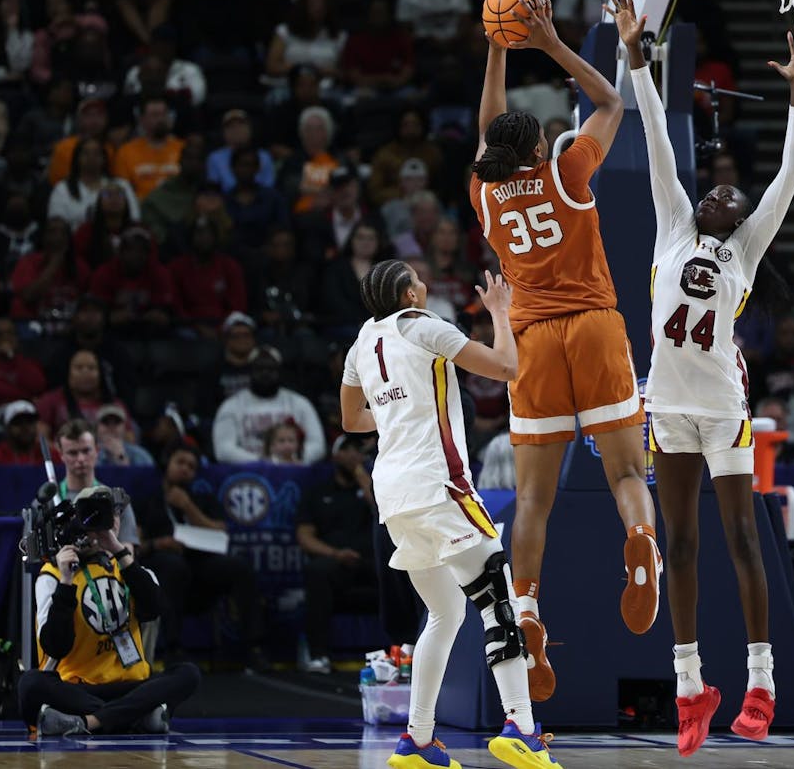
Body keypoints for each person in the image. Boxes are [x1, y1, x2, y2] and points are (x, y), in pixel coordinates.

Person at [610, 0, 794, 752]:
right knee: (682, 548)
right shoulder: (670, 221)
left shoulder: (747, 248)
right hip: (668, 407)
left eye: (735, 192)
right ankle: (691, 685)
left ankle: (759, 681)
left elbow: (789, 174)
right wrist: (635, 52)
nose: (724, 190)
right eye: (716, 186)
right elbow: (658, 134)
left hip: (725, 410)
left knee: (743, 541)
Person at [469, 0, 659, 703]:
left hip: (533, 341)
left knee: (533, 500)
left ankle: (525, 608)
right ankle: (640, 542)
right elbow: (610, 100)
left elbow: (492, 129)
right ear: (544, 144)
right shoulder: (568, 171)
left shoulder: (485, 197)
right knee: (623, 475)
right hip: (596, 327)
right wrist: (545, 43)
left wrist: (497, 45)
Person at [338, 261, 556, 767]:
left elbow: (351, 419)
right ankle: (521, 726)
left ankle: (416, 739)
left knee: (444, 613)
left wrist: (399, 411)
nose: (427, 284)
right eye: (419, 279)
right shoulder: (426, 325)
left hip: (392, 495)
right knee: (497, 598)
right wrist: (501, 312)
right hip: (438, 483)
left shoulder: (361, 344)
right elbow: (506, 367)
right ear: (409, 294)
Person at [19, 486, 201, 736]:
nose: (107, 520)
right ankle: (138, 717)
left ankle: (90, 722)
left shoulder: (131, 568)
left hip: (130, 685)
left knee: (187, 673)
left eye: (114, 513)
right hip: (79, 688)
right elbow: (56, 646)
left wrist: (118, 550)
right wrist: (66, 581)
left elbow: (154, 610)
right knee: (30, 683)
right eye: (93, 514)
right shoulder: (53, 575)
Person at [135, 445, 268, 670]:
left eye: (191, 467)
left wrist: (188, 507)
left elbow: (220, 532)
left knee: (239, 568)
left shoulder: (202, 500)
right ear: (167, 465)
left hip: (200, 565)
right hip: (163, 568)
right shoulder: (148, 501)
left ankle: (253, 648)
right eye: (180, 462)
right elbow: (135, 546)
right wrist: (159, 543)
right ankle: (173, 648)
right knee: (173, 566)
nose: (185, 469)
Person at [296, 435, 378, 674]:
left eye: (358, 451)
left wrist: (363, 478)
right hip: (335, 562)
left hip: (369, 562)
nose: (353, 455)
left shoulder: (372, 487)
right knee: (316, 572)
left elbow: (383, 514)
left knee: (402, 572)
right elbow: (304, 537)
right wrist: (336, 553)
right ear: (335, 455)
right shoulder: (317, 493)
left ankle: (406, 653)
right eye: (347, 449)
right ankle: (318, 654)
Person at [212, 346, 325, 463]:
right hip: (248, 474)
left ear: (280, 371)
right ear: (250, 372)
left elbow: (317, 445)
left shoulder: (299, 403)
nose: (265, 373)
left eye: (271, 369)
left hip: (293, 470)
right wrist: (262, 463)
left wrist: (291, 460)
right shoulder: (231, 405)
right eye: (259, 368)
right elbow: (223, 449)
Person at [48, 420, 140, 552]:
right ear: (61, 454)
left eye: (86, 451)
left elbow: (128, 552)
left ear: (97, 450)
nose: (80, 459)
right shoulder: (50, 502)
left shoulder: (116, 500)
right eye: (73, 453)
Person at [0, 400, 50, 465]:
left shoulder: (48, 454)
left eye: (29, 422)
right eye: (18, 422)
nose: (25, 427)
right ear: (7, 428)